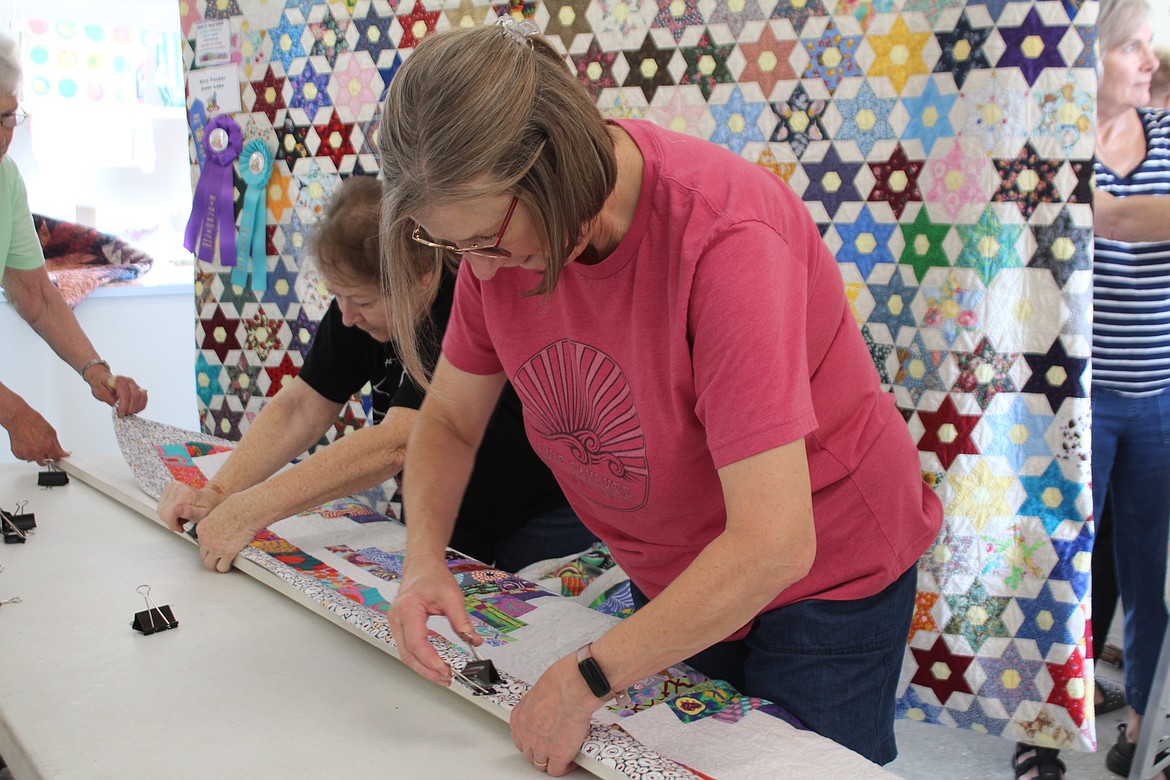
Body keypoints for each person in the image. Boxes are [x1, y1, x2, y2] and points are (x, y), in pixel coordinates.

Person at [377, 19, 943, 775]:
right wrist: (423, 560)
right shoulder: (496, 249)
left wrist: (588, 677)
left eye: (487, 241)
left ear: (554, 171)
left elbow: (773, 543)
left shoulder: (726, 240)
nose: (477, 275)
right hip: (687, 569)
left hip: (824, 576)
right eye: (454, 249)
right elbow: (447, 419)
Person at [157, 175, 596, 574]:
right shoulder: (357, 308)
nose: (346, 318)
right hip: (455, 511)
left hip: (542, 516)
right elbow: (303, 405)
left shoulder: (458, 306)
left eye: (361, 302)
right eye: (338, 298)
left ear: (422, 276)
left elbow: (399, 441)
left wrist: (252, 509)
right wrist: (219, 493)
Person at [1084, 1, 1170, 778]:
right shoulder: (1055, 135)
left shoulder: (1168, 131)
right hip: (1076, 402)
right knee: (1061, 567)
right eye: (1134, 48)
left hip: (1157, 397)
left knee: (1149, 572)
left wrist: (1097, 213)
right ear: (1093, 54)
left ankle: (1142, 720)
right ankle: (1042, 730)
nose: (1150, 61)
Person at [0, 33, 147, 465]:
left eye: (9, 117)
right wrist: (13, 413)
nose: (4, 135)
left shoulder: (6, 180)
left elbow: (38, 297)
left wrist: (96, 371)